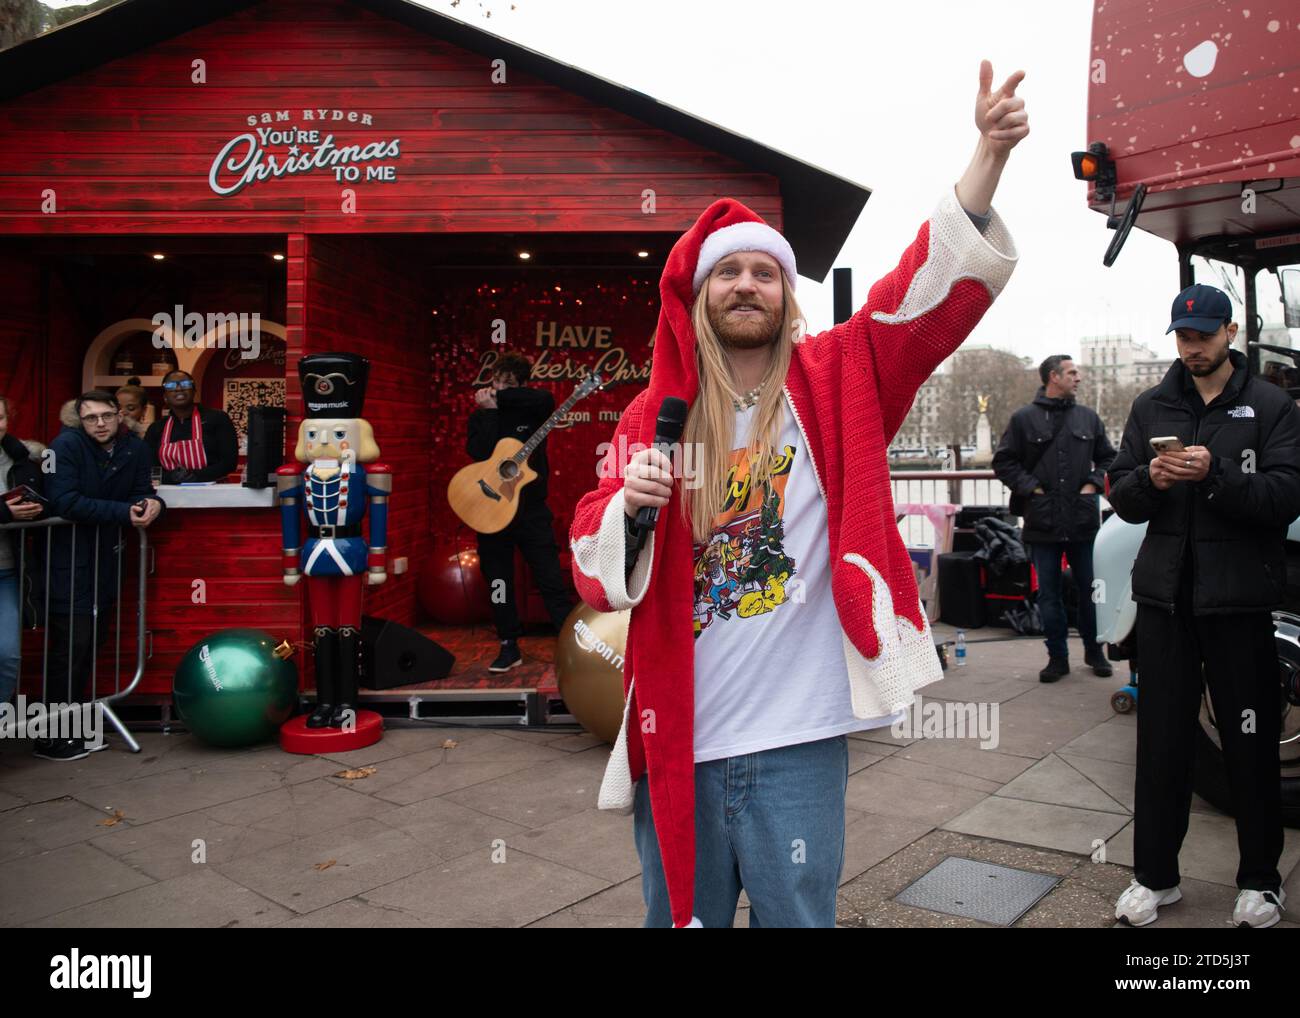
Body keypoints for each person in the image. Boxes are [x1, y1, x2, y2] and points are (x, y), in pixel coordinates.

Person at [569, 61, 1025, 927]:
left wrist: (987, 156)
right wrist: (630, 503)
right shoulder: (652, 412)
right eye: (728, 273)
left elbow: (919, 295)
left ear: (787, 294)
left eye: (765, 273)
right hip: (683, 739)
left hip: (799, 744)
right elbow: (593, 563)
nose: (748, 285)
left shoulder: (840, 377)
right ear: (701, 297)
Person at [1107, 283, 1300, 929]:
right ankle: (1153, 879)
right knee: (1161, 747)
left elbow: (1283, 498)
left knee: (1250, 745)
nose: (1192, 348)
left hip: (1239, 603)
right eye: (1183, 337)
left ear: (1231, 332)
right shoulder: (1150, 404)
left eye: (1204, 336)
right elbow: (1122, 494)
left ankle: (1260, 883)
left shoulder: (1272, 404)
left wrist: (1216, 475)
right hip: (1164, 602)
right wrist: (1149, 480)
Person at [37, 391, 165, 761]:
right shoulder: (64, 446)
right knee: (69, 646)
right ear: (79, 419)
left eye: (107, 415)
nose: (100, 423)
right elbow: (63, 502)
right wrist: (125, 512)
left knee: (93, 641)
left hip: (106, 559)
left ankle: (75, 728)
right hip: (68, 558)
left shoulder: (134, 448)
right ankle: (51, 735)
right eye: (91, 417)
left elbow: (144, 490)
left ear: (120, 415)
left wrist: (154, 504)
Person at [993, 355, 1116, 681]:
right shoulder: (1023, 419)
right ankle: (1057, 658)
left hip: (1082, 522)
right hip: (1042, 523)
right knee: (1048, 595)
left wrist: (1094, 483)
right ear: (1053, 376)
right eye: (1072, 372)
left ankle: (1095, 651)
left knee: (1092, 591)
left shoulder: (1088, 418)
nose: (1078, 378)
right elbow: (1004, 462)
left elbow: (1110, 458)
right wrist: (1031, 489)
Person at [466, 350, 575, 672]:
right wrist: (488, 412)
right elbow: (478, 452)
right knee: (498, 580)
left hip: (531, 511)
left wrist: (500, 398)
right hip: (492, 511)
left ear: (521, 384)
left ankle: (570, 643)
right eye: (496, 382)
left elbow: (542, 400)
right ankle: (508, 644)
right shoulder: (483, 414)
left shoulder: (535, 405)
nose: (498, 388)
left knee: (550, 577)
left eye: (508, 383)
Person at [0, 395, 46, 710]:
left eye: (0, 417)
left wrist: (37, 506)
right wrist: (6, 513)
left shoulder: (19, 457)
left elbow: (45, 499)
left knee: (8, 654)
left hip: (6, 570)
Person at [143, 368, 238, 483]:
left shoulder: (218, 418)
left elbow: (229, 463)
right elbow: (148, 469)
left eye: (185, 384)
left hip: (213, 493)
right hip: (169, 495)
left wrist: (196, 476)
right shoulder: (156, 428)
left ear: (194, 391)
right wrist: (171, 477)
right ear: (165, 396)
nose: (179, 388)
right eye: (171, 386)